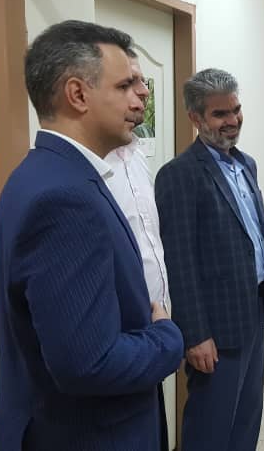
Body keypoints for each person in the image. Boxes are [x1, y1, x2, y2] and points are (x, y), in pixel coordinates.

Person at [0, 20, 183, 451]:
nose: (141, 94)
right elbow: (89, 364)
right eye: (125, 84)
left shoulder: (45, 174)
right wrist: (167, 337)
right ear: (77, 94)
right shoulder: (63, 197)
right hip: (90, 435)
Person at [154, 68, 264, 451]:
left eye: (236, 109)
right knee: (211, 431)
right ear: (195, 118)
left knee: (246, 422)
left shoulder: (246, 164)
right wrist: (196, 334)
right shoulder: (179, 175)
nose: (232, 120)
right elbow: (179, 261)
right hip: (215, 328)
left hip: (254, 312)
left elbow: (247, 232)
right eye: (220, 114)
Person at [102, 49, 173, 450]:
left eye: (143, 82)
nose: (144, 92)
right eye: (129, 82)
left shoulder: (136, 156)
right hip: (117, 341)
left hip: (151, 334)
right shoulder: (85, 173)